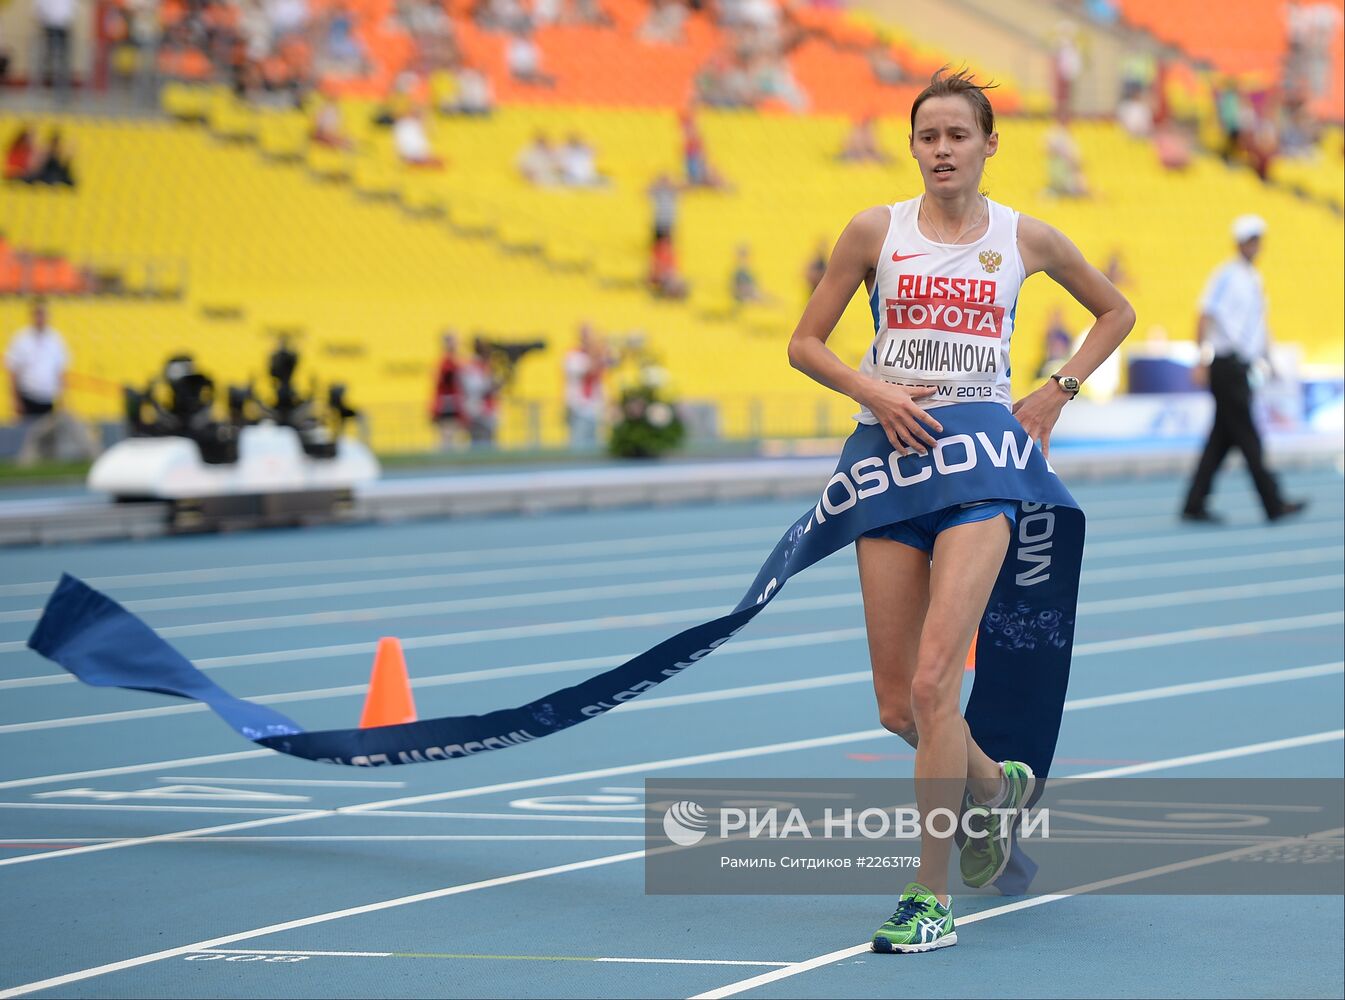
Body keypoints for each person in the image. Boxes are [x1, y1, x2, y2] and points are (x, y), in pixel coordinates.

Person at [786, 67, 1134, 952]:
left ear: (987, 145)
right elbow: (803, 343)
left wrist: (1057, 389)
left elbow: (1115, 311)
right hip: (890, 459)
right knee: (899, 707)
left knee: (941, 683)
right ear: (911, 146)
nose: (941, 150)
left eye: (956, 135)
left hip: (982, 465)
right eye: (927, 136)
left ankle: (926, 898)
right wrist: (875, 389)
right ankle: (997, 788)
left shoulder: (1025, 238)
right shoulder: (875, 230)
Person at [1181, 216, 1306, 524]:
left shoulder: (1254, 279)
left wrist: (1270, 360)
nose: (1255, 245)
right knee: (1249, 438)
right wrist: (1200, 359)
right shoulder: (1225, 275)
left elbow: (1259, 327)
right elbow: (1204, 314)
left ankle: (1194, 503)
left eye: (1258, 239)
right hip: (1226, 365)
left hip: (1241, 366)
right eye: (1250, 239)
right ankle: (1272, 503)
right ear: (1238, 242)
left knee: (1221, 440)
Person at [5, 298, 96, 466]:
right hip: (28, 397)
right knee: (29, 436)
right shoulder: (21, 339)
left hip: (48, 398)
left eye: (43, 314)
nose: (40, 318)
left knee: (47, 436)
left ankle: (44, 463)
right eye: (37, 314)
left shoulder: (55, 340)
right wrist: (15, 399)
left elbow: (60, 373)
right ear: (32, 316)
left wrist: (63, 399)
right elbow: (13, 372)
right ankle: (25, 464)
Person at [563, 323, 608, 449]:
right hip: (578, 406)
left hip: (597, 406)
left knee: (598, 444)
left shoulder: (598, 354)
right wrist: (597, 354)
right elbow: (588, 371)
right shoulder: (573, 355)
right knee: (578, 444)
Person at [430, 329, 465, 450]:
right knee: (447, 435)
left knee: (454, 436)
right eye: (454, 341)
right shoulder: (446, 362)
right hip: (448, 404)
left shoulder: (454, 360)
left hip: (452, 403)